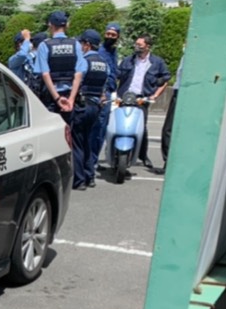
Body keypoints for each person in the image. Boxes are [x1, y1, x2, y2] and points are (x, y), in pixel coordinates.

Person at [116, 35, 171, 170]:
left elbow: (166, 78)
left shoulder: (156, 62)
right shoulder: (128, 60)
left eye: (140, 45)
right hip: (125, 97)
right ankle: (117, 154)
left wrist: (155, 95)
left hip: (142, 99)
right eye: (136, 44)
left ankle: (142, 155)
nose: (137, 47)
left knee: (141, 128)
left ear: (148, 46)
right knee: (120, 125)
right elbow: (117, 75)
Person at [69, 30, 111, 189]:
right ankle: (90, 176)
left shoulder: (84, 61)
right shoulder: (104, 63)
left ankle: (79, 180)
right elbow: (105, 86)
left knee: (77, 142)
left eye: (81, 43)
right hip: (96, 106)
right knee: (88, 141)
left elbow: (77, 81)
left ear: (87, 45)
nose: (80, 47)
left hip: (82, 104)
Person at [33, 11, 86, 122]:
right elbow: (79, 74)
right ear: (66, 25)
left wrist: (57, 98)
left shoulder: (44, 45)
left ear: (50, 25)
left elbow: (45, 74)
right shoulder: (75, 44)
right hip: (70, 96)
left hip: (51, 98)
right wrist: (71, 99)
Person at [91, 22, 122, 171]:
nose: (110, 37)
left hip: (109, 93)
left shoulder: (114, 52)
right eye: (108, 34)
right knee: (96, 129)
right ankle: (90, 162)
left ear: (118, 36)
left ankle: (94, 160)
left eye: (113, 35)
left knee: (102, 130)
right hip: (100, 94)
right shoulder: (100, 51)